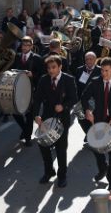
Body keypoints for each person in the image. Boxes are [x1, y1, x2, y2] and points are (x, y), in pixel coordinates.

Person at [81, 57, 111, 190]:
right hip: (99, 121)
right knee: (96, 147)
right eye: (102, 70)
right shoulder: (95, 82)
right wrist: (87, 110)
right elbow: (84, 97)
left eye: (107, 71)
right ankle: (103, 168)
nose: (104, 74)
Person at [33, 55, 77, 188]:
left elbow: (74, 98)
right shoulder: (43, 79)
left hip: (62, 119)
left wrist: (64, 106)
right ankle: (49, 171)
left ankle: (62, 175)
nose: (51, 70)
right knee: (43, 145)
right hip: (46, 117)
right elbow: (37, 99)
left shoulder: (68, 79)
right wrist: (36, 115)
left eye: (53, 67)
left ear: (60, 67)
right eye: (49, 68)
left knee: (61, 148)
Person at [10, 36, 43, 145]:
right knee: (15, 112)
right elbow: (13, 69)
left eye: (27, 45)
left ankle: (28, 137)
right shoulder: (17, 56)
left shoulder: (37, 58)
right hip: (18, 89)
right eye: (23, 45)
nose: (24, 47)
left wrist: (33, 75)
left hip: (31, 90)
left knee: (29, 115)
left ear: (31, 46)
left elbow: (42, 74)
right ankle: (25, 129)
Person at [75, 52, 101, 135]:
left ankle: (94, 136)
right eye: (87, 59)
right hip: (83, 99)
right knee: (81, 118)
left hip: (96, 100)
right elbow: (76, 84)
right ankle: (88, 133)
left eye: (91, 59)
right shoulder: (79, 69)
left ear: (95, 60)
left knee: (94, 119)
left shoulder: (100, 70)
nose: (89, 61)